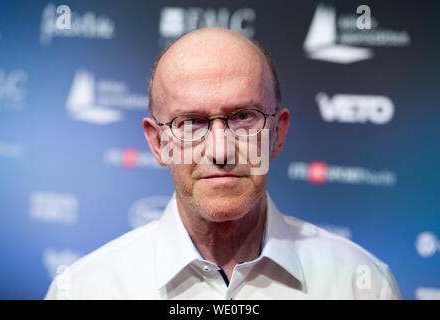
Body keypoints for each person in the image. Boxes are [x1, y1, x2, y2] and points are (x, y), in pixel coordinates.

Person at [45, 27, 401, 299]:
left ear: (278, 132)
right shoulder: (84, 289)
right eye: (191, 123)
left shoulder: (360, 284)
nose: (220, 151)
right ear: (157, 143)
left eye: (243, 117)